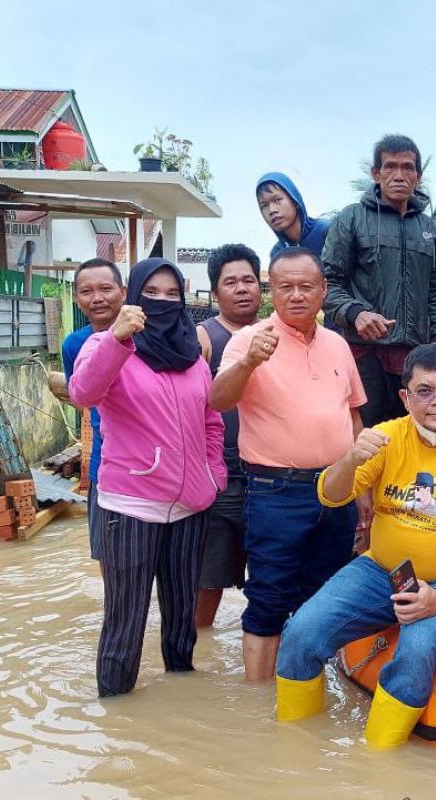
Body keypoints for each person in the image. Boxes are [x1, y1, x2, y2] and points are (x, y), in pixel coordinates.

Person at [274, 344, 436, 750]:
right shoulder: (385, 437)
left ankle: (380, 762)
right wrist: (349, 459)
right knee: (301, 633)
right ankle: (295, 751)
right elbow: (330, 496)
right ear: (405, 397)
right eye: (425, 390)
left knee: (416, 653)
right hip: (379, 570)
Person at [69, 258, 226, 697]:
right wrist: (119, 339)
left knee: (181, 620)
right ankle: (117, 718)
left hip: (191, 506)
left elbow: (211, 419)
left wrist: (212, 474)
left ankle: (180, 703)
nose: (161, 301)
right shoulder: (105, 345)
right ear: (134, 296)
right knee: (126, 619)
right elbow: (83, 393)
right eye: (151, 293)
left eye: (171, 294)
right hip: (131, 506)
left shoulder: (193, 355)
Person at [209, 247, 366, 681]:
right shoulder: (249, 341)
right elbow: (218, 399)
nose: (296, 295)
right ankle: (260, 705)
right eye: (285, 287)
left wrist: (363, 488)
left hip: (338, 489)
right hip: (276, 490)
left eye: (305, 286)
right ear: (270, 292)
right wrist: (249, 362)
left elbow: (353, 415)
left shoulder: (337, 343)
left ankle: (314, 690)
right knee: (269, 597)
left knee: (326, 597)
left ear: (323, 291)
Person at [323, 134, 436, 426]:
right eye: (390, 167)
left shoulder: (427, 228)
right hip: (366, 355)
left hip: (415, 355)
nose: (399, 175)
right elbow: (326, 285)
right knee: (369, 438)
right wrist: (356, 313)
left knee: (415, 436)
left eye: (407, 167)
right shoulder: (351, 219)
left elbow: (434, 292)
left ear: (418, 175)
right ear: (376, 174)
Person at [193, 244, 261, 629]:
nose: (241, 289)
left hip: (269, 475)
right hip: (221, 475)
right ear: (215, 293)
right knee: (209, 578)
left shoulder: (276, 332)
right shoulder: (204, 337)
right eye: (230, 282)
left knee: (270, 580)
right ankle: (196, 658)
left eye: (249, 280)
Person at [60, 258, 125, 563]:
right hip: (105, 460)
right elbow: (82, 397)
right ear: (76, 298)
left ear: (123, 292)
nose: (96, 298)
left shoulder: (147, 335)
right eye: (86, 291)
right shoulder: (74, 344)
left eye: (105, 288)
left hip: (152, 464)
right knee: (108, 552)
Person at [257, 172, 332, 260]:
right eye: (264, 206)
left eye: (277, 200)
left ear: (295, 200)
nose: (271, 210)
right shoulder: (277, 253)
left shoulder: (328, 231)